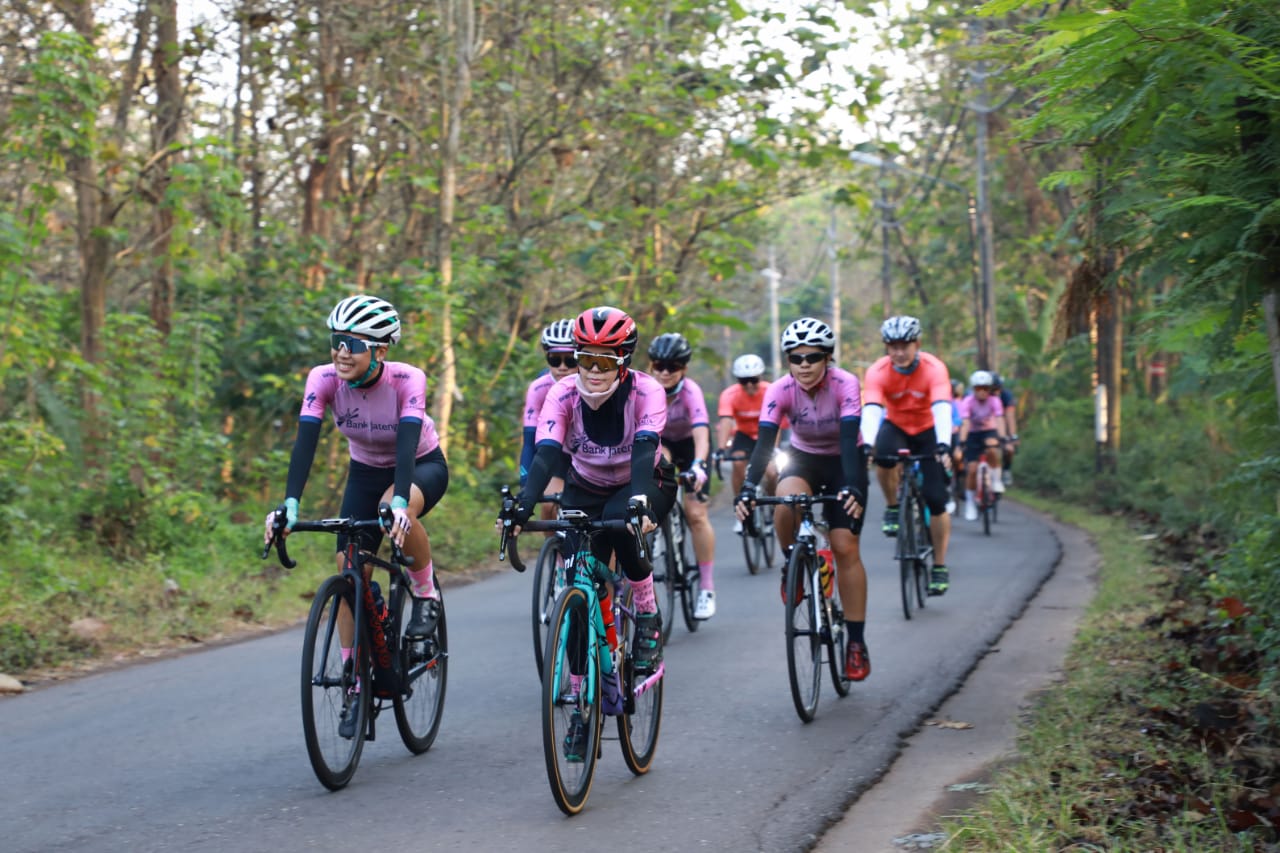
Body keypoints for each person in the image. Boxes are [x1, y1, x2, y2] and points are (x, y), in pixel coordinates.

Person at [264, 294, 448, 738]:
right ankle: (354, 680)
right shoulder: (323, 378)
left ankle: (425, 594)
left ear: (381, 349)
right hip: (364, 471)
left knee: (392, 510)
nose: (341, 351)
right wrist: (290, 504)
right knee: (348, 569)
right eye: (336, 340)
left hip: (419, 465)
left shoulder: (408, 379)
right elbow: (305, 441)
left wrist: (400, 501)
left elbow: (407, 447)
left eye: (352, 342)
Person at [508, 306, 677, 683]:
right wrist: (524, 503)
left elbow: (645, 447)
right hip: (585, 486)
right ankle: (579, 697)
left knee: (622, 525)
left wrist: (639, 501)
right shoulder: (561, 393)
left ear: (624, 362)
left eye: (605, 361)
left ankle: (647, 615)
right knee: (577, 587)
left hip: (643, 480)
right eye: (586, 359)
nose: (594, 371)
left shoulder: (646, 390)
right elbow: (546, 452)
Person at [733, 318, 871, 682]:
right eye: (796, 358)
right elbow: (765, 444)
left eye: (813, 357)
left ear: (828, 358)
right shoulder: (779, 390)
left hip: (844, 461)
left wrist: (854, 486)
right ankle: (792, 562)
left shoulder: (846, 384)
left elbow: (848, 440)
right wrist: (747, 488)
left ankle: (855, 642)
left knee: (844, 545)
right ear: (788, 361)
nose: (804, 365)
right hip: (804, 458)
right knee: (786, 498)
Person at [860, 315, 954, 596]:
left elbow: (941, 408)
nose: (899, 352)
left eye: (905, 346)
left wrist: (944, 444)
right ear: (886, 347)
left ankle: (939, 565)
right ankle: (892, 507)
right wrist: (867, 444)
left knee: (936, 500)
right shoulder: (878, 371)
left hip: (928, 430)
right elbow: (873, 410)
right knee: (884, 457)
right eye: (893, 346)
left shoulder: (934, 369)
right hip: (898, 426)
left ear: (917, 344)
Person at [647, 332, 718, 620]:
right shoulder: (645, 390)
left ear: (684, 368)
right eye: (659, 365)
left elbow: (702, 432)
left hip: (691, 446)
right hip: (662, 444)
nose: (665, 372)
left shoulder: (691, 392)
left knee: (696, 513)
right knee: (652, 489)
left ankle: (707, 587)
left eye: (672, 366)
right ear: (651, 365)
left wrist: (699, 464)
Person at [716, 354, 783, 533]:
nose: (750, 385)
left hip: (766, 435)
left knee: (770, 470)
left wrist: (774, 449)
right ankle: (742, 512)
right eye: (744, 381)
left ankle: (772, 509)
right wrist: (721, 449)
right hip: (744, 435)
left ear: (761, 377)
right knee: (738, 463)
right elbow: (726, 421)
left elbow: (776, 423)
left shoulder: (771, 391)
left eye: (753, 380)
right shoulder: (729, 395)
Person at [520, 318, 576, 521]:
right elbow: (529, 443)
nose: (562, 367)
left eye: (570, 360)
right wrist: (526, 486)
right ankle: (555, 553)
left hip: (595, 456)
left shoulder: (596, 386)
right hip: (560, 455)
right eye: (554, 359)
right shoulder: (538, 388)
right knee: (549, 508)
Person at [957, 370, 1008, 521]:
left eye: (986, 388)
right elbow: (965, 423)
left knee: (992, 449)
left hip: (989, 431)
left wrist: (1002, 437)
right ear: (973, 389)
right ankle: (970, 503)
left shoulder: (994, 401)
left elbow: (999, 419)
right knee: (972, 470)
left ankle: (996, 481)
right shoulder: (968, 401)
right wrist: (962, 441)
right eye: (979, 388)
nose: (982, 392)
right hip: (973, 434)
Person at [992, 372, 1019, 487]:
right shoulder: (981, 396)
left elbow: (1010, 417)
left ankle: (1007, 469)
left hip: (1003, 424)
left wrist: (1013, 435)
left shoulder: (1006, 395)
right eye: (993, 389)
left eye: (998, 389)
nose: (996, 392)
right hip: (986, 426)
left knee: (1009, 449)